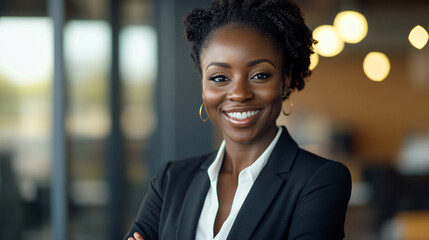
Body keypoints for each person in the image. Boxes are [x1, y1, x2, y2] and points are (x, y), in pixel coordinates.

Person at [125, 0, 352, 239]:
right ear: (203, 85)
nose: (240, 93)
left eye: (260, 75)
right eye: (220, 78)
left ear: (285, 79)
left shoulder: (319, 181)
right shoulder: (171, 181)